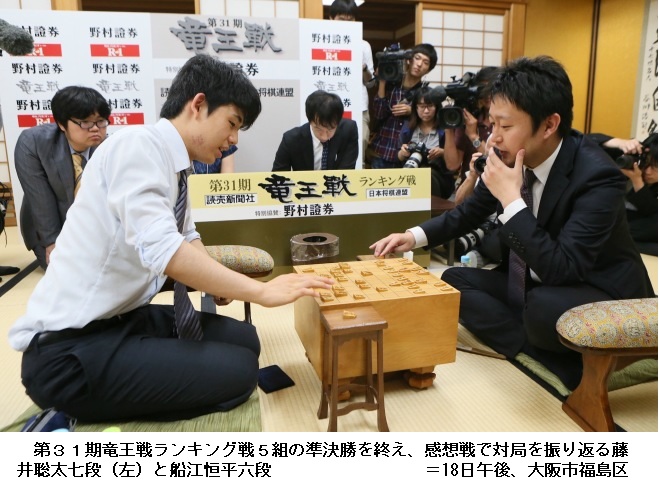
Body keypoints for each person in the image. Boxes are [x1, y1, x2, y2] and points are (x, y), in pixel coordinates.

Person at [8, 54, 333, 423]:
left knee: (246, 339)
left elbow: (187, 236)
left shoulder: (176, 164)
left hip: (124, 318)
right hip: (68, 351)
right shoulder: (137, 146)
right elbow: (167, 251)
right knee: (241, 372)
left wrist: (218, 281)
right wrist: (261, 291)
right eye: (232, 123)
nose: (232, 140)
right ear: (198, 105)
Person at [370, 55, 654, 390]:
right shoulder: (509, 156)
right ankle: (541, 354)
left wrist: (511, 199)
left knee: (542, 310)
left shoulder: (598, 177)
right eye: (492, 124)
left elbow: (563, 268)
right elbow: (469, 212)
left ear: (548, 125)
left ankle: (548, 348)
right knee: (453, 281)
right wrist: (412, 236)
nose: (494, 138)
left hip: (599, 289)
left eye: (505, 127)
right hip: (536, 281)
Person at [14, 86, 111, 269]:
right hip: (50, 228)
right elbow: (40, 199)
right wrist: (52, 243)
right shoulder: (34, 142)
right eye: (85, 122)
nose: (95, 129)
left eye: (101, 121)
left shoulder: (110, 146)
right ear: (61, 124)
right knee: (75, 273)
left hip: (95, 230)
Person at [369, 43, 437, 169]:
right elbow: (379, 113)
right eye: (417, 58)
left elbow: (431, 121)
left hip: (407, 154)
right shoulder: (392, 83)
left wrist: (413, 111)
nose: (419, 64)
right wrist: (382, 81)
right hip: (382, 150)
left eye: (425, 62)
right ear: (409, 60)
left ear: (429, 69)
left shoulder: (425, 93)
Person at [588, 132, 658, 255]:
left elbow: (651, 214)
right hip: (603, 220)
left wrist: (637, 181)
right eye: (647, 162)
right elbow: (584, 142)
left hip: (624, 230)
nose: (648, 171)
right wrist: (619, 143)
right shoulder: (631, 156)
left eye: (655, 167)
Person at [328, 0, 376, 165]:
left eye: (351, 20)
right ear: (331, 18)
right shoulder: (321, 40)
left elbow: (371, 84)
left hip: (358, 106)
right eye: (341, 19)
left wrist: (364, 69)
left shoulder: (363, 46)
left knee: (358, 150)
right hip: (328, 105)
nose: (346, 24)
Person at [272, 90, 359, 171]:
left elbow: (347, 172)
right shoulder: (291, 139)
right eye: (318, 129)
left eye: (330, 129)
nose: (324, 137)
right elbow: (278, 175)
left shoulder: (349, 130)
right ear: (309, 120)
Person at [397, 85, 456, 199]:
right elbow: (398, 156)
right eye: (422, 106)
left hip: (438, 176)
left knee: (426, 175)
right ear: (415, 108)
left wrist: (442, 152)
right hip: (410, 173)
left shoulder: (445, 128)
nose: (426, 111)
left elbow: (454, 159)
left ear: (437, 107)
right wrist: (402, 153)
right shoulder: (408, 128)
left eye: (430, 106)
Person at [443, 66, 499, 184]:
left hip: (496, 186)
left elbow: (498, 162)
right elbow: (452, 165)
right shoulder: (470, 120)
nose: (487, 94)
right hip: (469, 186)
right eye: (482, 89)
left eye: (492, 88)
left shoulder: (506, 123)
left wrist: (473, 137)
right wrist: (448, 127)